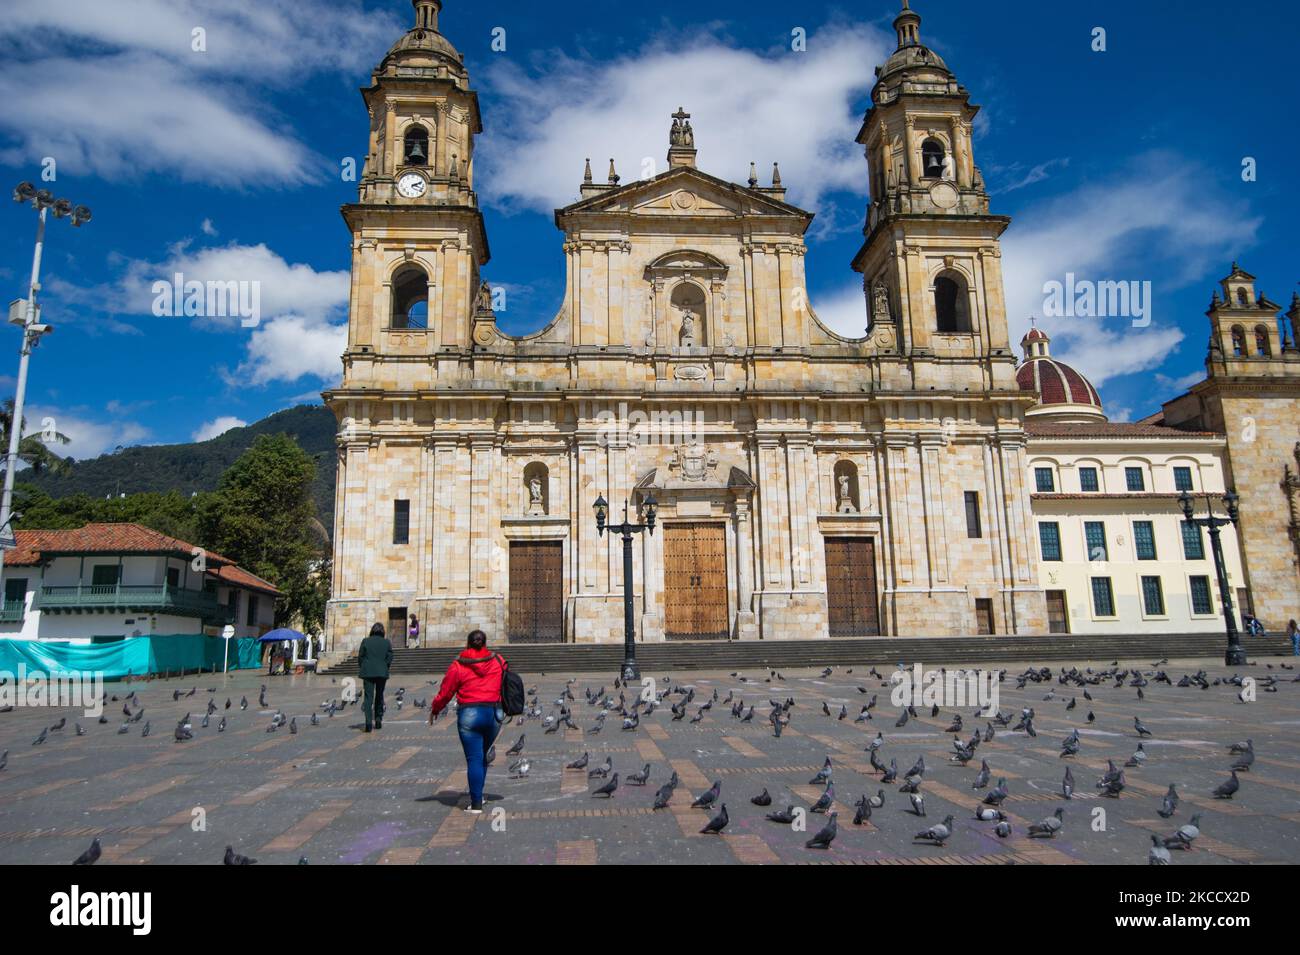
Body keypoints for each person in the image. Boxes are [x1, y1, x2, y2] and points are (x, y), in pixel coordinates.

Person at [429, 629, 506, 814]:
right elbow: (507, 681)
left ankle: (476, 803)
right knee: (482, 756)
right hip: (493, 714)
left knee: (474, 759)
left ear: (468, 643)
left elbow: (446, 691)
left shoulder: (458, 665)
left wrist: (435, 709)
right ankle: (478, 796)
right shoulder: (498, 661)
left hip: (469, 715)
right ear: (485, 643)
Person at [357, 622, 393, 733]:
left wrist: (364, 666)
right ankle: (378, 719)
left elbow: (360, 656)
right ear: (382, 631)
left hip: (368, 672)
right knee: (379, 696)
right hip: (381, 673)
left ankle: (368, 722)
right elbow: (390, 657)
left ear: (372, 630)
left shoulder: (366, 641)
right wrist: (384, 666)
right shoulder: (386, 642)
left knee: (368, 697)